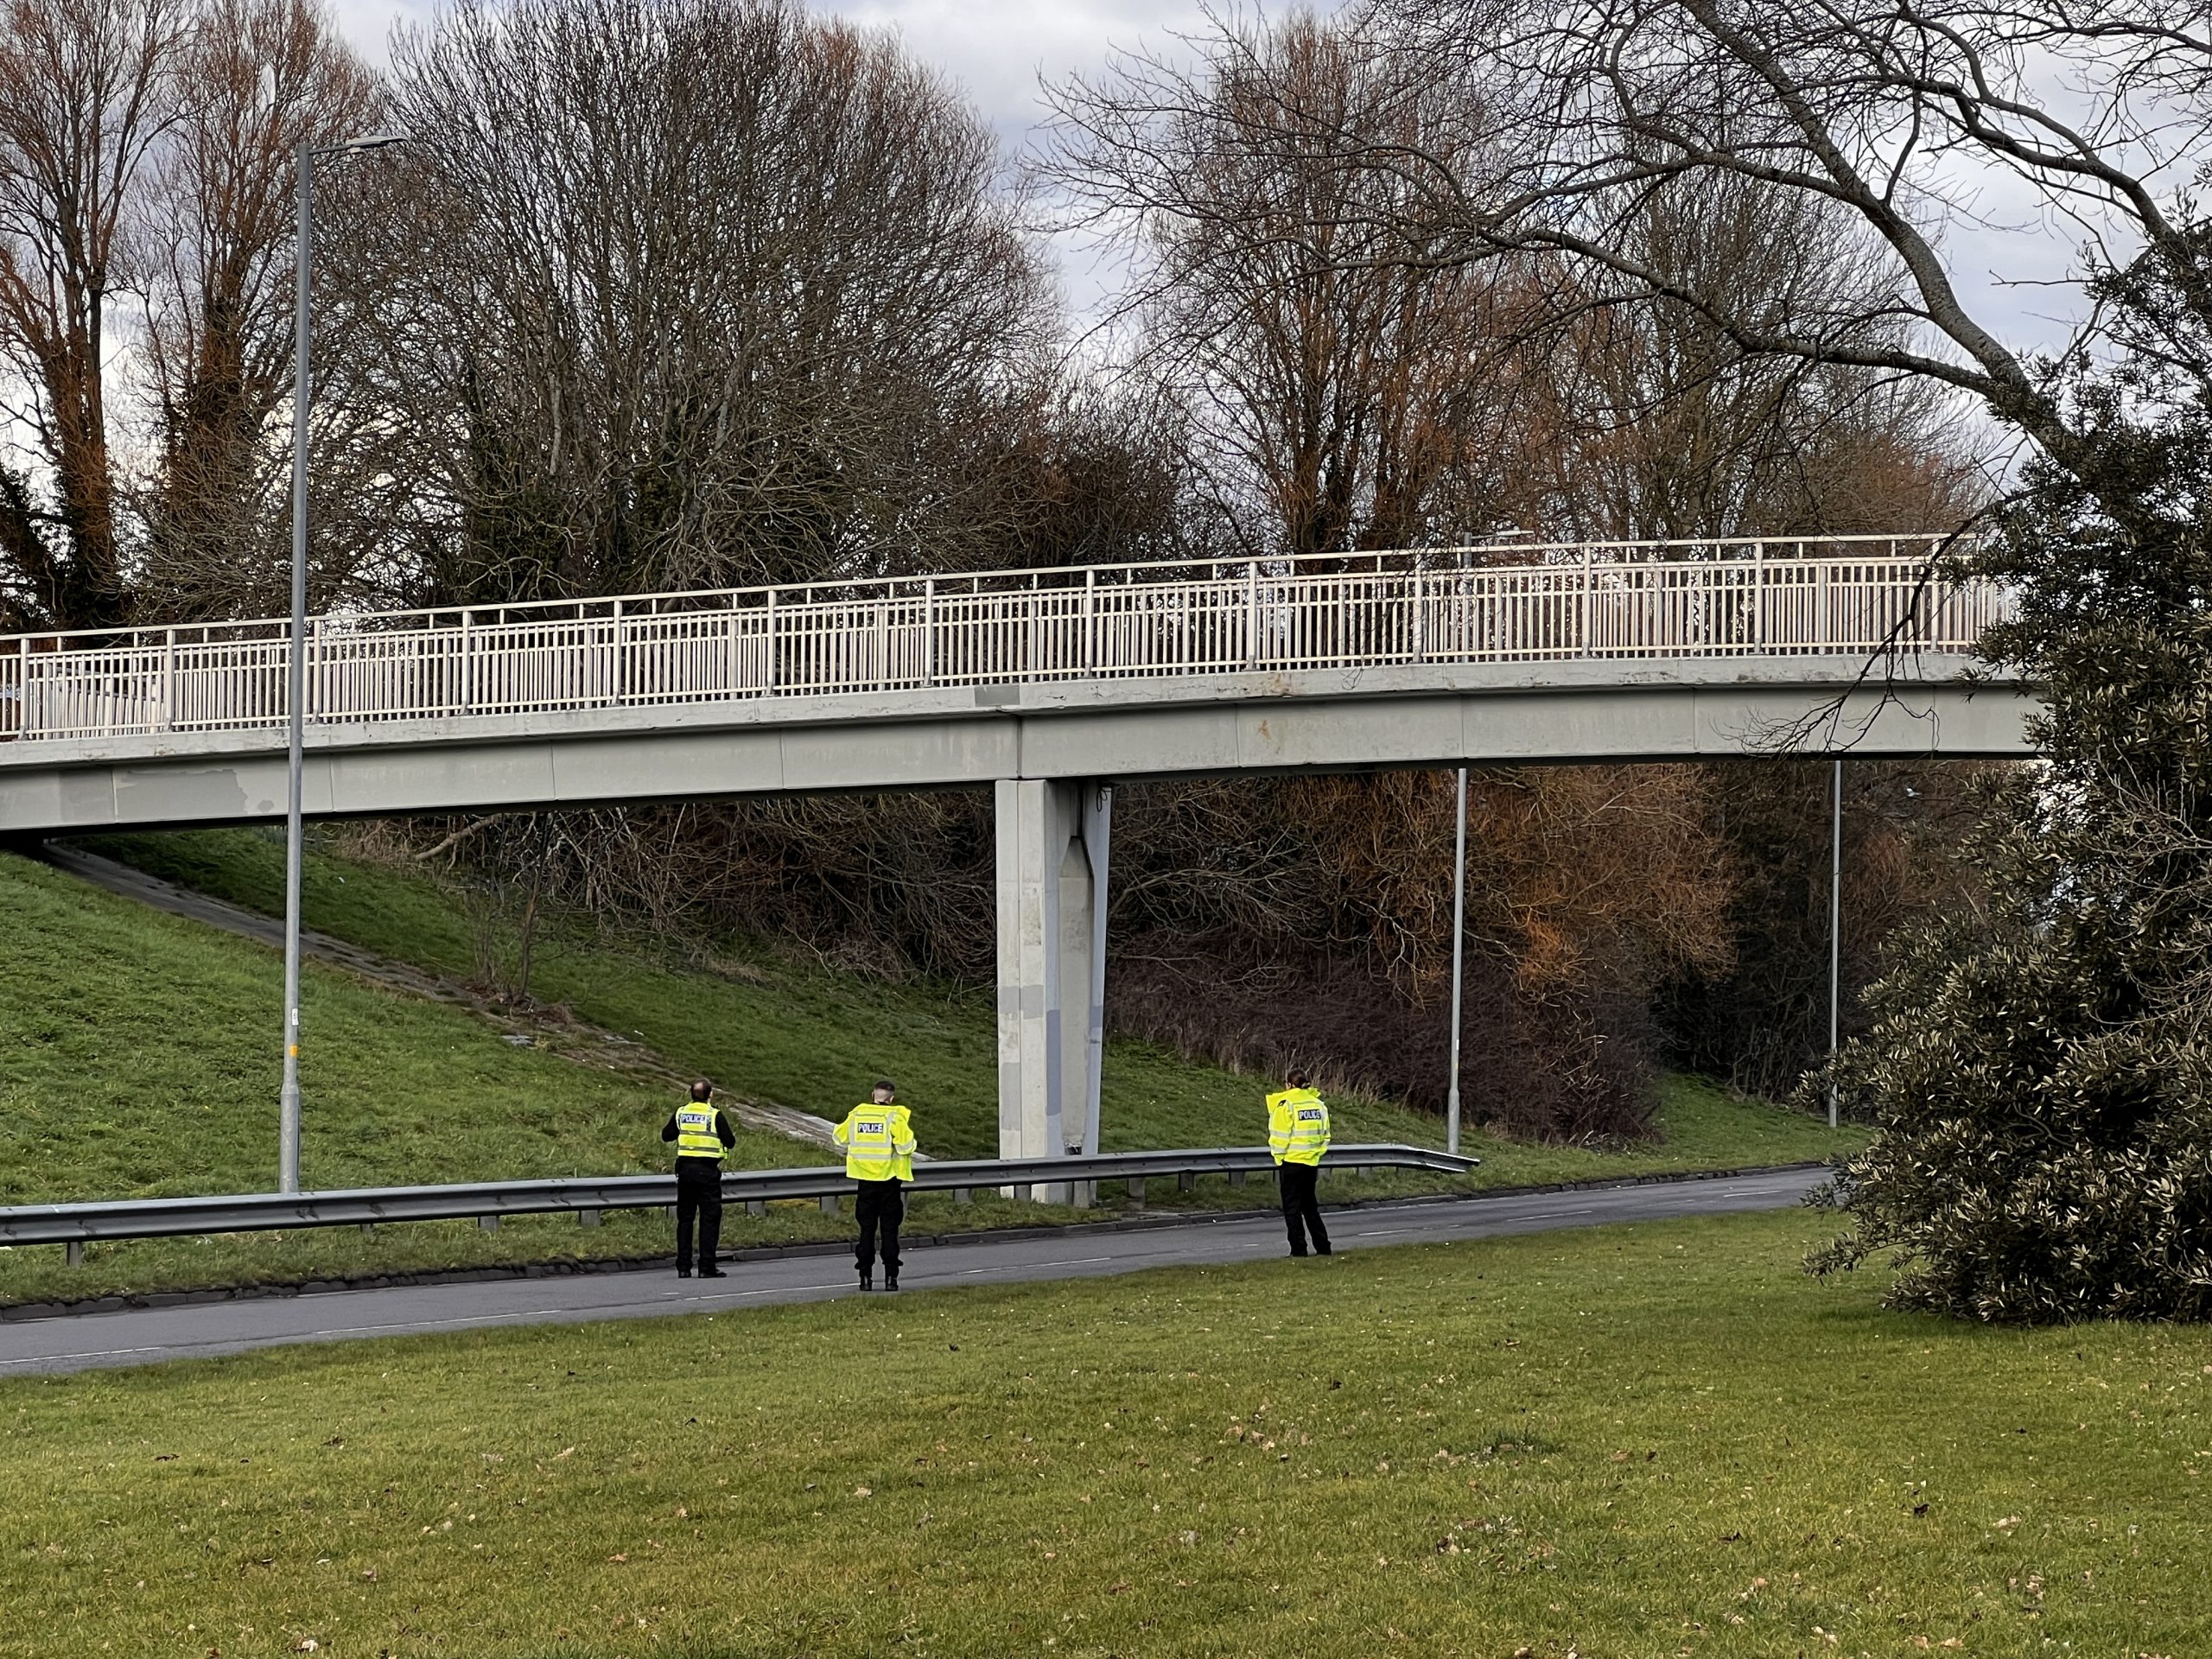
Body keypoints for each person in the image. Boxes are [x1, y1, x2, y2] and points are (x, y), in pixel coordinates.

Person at [834, 1078, 917, 1291]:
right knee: (889, 1231)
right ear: (891, 1099)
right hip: (889, 1181)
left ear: (873, 1096)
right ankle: (891, 1278)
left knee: (866, 1231)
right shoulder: (894, 1117)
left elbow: (838, 1138)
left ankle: (865, 1278)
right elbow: (906, 1146)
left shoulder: (857, 1114)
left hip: (865, 1182)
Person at [661, 1078, 736, 1278]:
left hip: (685, 1172)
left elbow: (666, 1135)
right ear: (710, 1095)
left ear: (691, 1095)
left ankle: (683, 1267)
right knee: (709, 1219)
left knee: (685, 1219)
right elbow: (730, 1141)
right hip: (707, 1172)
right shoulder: (714, 1115)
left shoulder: (681, 1113)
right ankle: (706, 1267)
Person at [1265, 1067, 1332, 1258]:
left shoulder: (1286, 1104)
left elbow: (1279, 1136)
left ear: (1288, 1084)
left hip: (1291, 1163)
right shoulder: (1318, 1105)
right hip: (1311, 1164)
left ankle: (1298, 1249)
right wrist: (1316, 1154)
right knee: (1310, 1207)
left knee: (1292, 1208)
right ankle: (1323, 1246)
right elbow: (1325, 1135)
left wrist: (1279, 1158)